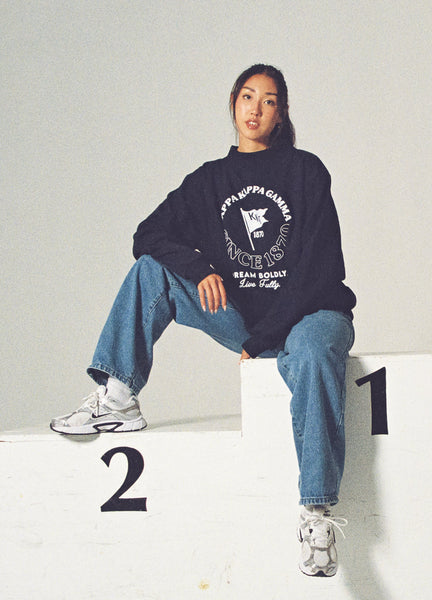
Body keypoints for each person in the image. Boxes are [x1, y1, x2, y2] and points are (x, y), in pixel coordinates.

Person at [51, 64, 356, 577]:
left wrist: (266, 336)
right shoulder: (210, 181)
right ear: (233, 104)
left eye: (269, 101)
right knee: (153, 271)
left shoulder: (306, 171)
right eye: (248, 97)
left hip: (312, 314)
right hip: (247, 321)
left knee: (311, 350)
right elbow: (146, 236)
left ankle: (316, 515)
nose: (256, 109)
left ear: (281, 114)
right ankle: (118, 397)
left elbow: (320, 268)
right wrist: (200, 268)